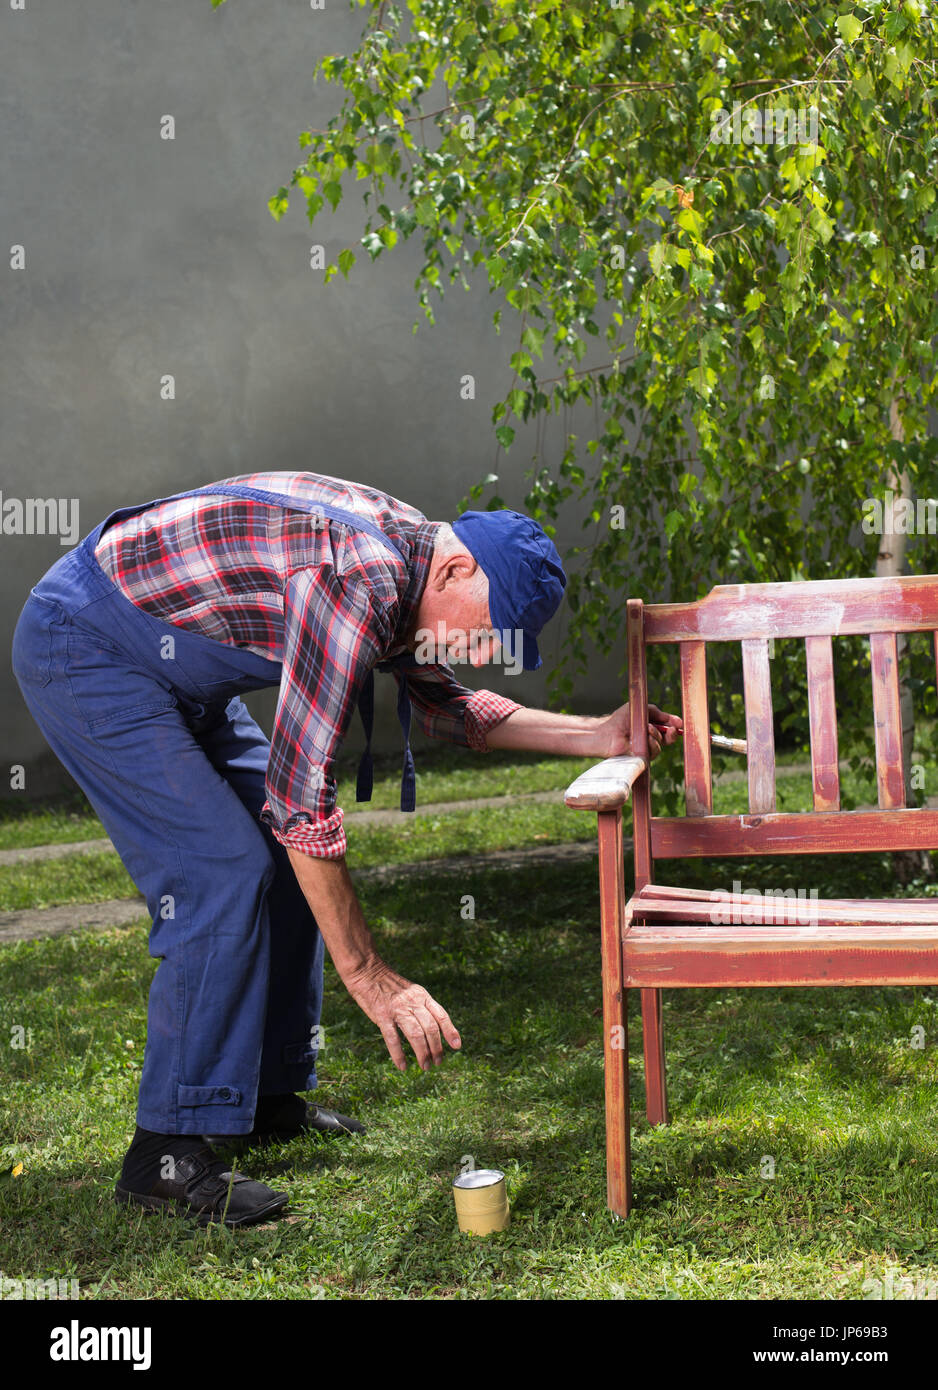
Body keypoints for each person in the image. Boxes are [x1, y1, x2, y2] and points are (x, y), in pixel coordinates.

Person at [11, 470, 681, 1227]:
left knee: (280, 863)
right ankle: (162, 1153)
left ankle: (263, 1097)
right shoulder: (355, 578)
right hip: (87, 646)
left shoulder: (415, 563)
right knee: (222, 873)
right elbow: (302, 799)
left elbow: (446, 709)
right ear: (459, 569)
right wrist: (368, 974)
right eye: (486, 630)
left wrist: (596, 733)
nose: (483, 651)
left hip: (170, 663)